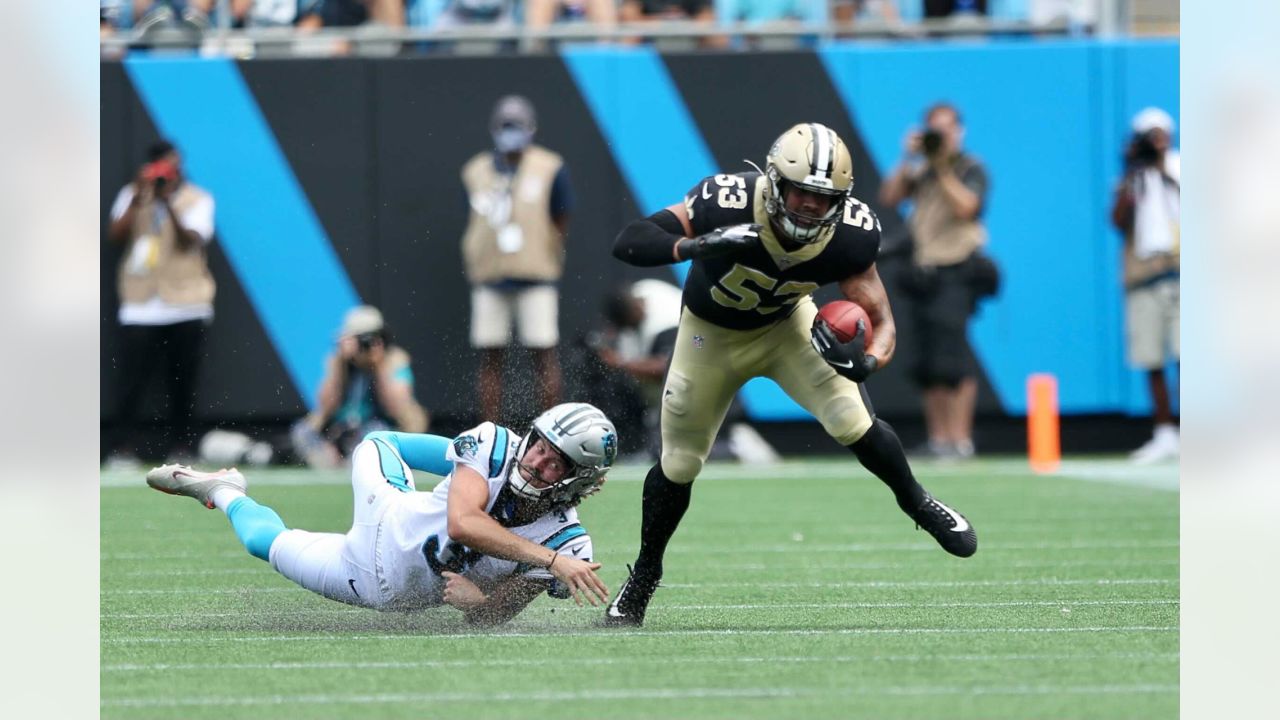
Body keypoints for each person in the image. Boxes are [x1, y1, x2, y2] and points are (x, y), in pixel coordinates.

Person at [604, 122, 978, 627]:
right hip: (708, 335)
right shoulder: (729, 199)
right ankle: (644, 577)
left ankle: (919, 503)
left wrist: (868, 362)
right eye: (800, 191)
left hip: (786, 325)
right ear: (776, 183)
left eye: (822, 198)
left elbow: (883, 322)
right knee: (681, 461)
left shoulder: (851, 233)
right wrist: (697, 245)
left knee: (852, 418)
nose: (808, 205)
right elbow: (630, 240)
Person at [147, 402, 618, 624]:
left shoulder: (569, 544)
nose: (535, 459)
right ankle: (457, 457)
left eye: (555, 460)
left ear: (579, 478)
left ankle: (225, 491)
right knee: (381, 441)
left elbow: (492, 617)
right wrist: (549, 561)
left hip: (372, 584)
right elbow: (464, 524)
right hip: (387, 507)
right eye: (538, 444)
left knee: (261, 543)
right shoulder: (497, 447)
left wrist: (481, 605)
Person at [879, 102, 990, 460]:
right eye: (933, 130)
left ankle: (961, 439)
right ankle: (940, 438)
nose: (940, 137)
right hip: (923, 272)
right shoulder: (922, 168)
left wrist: (941, 166)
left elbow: (966, 208)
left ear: (959, 131)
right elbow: (890, 196)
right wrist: (908, 158)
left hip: (957, 268)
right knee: (926, 361)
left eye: (945, 129)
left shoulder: (970, 167)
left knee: (953, 358)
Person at [461, 95, 572, 422]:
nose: (511, 133)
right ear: (494, 129)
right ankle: (489, 431)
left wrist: (546, 250)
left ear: (531, 129)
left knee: (544, 353)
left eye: (517, 126)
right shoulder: (476, 170)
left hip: (535, 274)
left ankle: (552, 430)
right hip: (490, 276)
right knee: (490, 356)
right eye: (505, 126)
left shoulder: (549, 166)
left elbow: (562, 216)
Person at [105, 139, 216, 465]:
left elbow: (192, 240)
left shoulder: (197, 198)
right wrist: (141, 196)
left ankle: (182, 447)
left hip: (186, 301)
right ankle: (122, 448)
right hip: (141, 303)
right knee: (131, 381)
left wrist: (168, 203)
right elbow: (115, 235)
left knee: (182, 380)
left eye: (174, 166)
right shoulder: (133, 194)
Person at [1110, 107, 1180, 464]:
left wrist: (1163, 169)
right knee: (1152, 357)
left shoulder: (1180, 167)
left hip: (1182, 271)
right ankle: (1165, 432)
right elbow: (1118, 220)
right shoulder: (1132, 177)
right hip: (1144, 274)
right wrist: (1134, 172)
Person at [291, 305, 429, 468]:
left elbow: (396, 408)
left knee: (374, 434)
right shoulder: (338, 361)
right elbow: (325, 406)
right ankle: (332, 464)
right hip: (342, 429)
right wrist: (340, 364)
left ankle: (360, 464)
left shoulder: (395, 360)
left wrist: (378, 365)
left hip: (381, 429)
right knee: (302, 431)